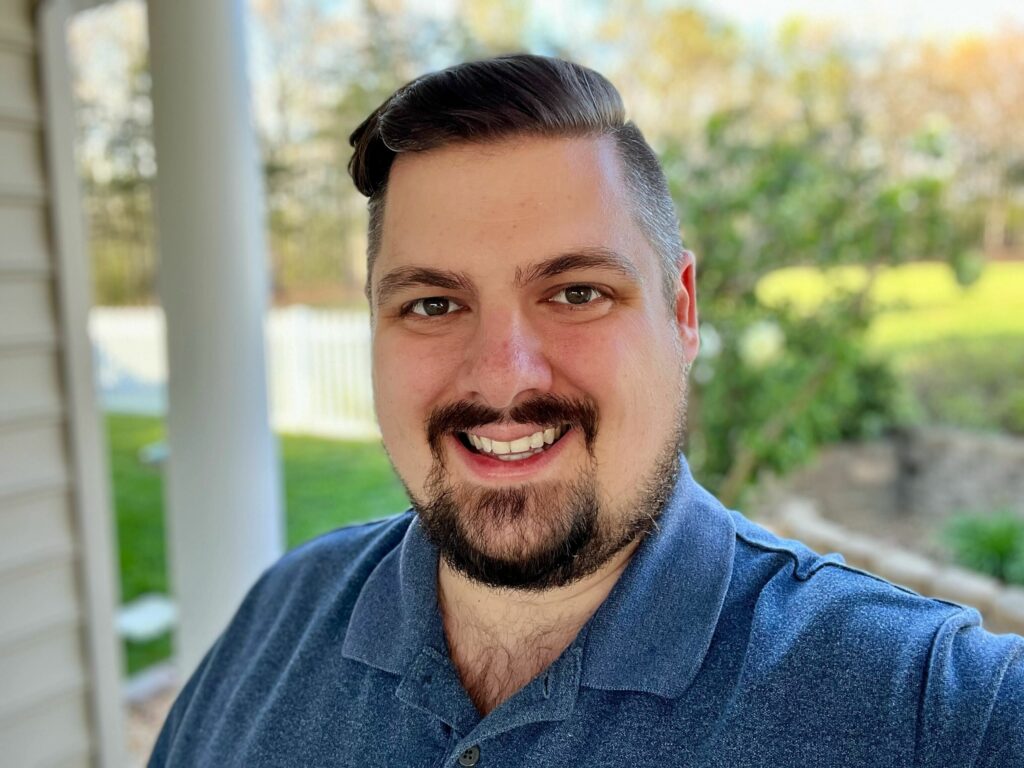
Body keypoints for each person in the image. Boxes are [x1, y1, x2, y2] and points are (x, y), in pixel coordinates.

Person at [150, 54, 1023, 767]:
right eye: (432, 304)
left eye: (575, 292)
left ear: (681, 311)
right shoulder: (281, 616)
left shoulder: (929, 707)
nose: (502, 377)